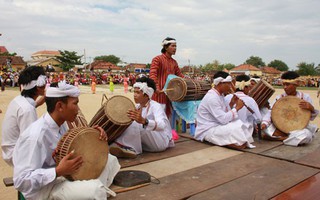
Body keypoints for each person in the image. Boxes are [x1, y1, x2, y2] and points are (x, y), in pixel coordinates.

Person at [13, 81, 120, 200]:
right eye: (75, 104)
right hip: (44, 190)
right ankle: (97, 189)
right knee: (94, 190)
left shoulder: (61, 124)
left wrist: (92, 135)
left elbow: (71, 148)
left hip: (62, 176)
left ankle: (96, 189)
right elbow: (20, 181)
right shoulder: (34, 136)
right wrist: (57, 171)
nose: (78, 109)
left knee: (110, 160)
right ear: (60, 106)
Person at [109, 77, 174, 158]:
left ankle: (129, 148)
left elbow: (162, 125)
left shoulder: (156, 106)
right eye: (134, 92)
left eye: (138, 92)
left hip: (160, 142)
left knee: (136, 123)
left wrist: (144, 121)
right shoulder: (137, 106)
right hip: (147, 145)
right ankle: (121, 146)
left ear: (147, 95)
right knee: (129, 121)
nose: (134, 95)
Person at [194, 71, 255, 149]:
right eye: (228, 83)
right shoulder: (212, 98)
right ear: (220, 83)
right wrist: (237, 108)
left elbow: (224, 114)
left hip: (218, 125)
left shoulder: (220, 95)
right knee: (235, 128)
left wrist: (231, 104)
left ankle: (237, 143)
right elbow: (223, 119)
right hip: (208, 130)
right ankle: (234, 143)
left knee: (240, 124)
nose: (230, 86)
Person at [1, 66, 46, 166]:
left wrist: (37, 103)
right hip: (16, 154)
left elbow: (28, 107)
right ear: (39, 86)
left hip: (9, 150)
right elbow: (31, 141)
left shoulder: (19, 99)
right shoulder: (27, 110)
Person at [261, 71, 319, 146]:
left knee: (306, 136)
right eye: (284, 84)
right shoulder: (279, 98)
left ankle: (281, 138)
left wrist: (311, 108)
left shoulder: (305, 97)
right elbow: (270, 112)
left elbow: (311, 118)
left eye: (288, 84)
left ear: (296, 84)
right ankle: (289, 138)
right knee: (265, 129)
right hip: (279, 128)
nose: (285, 87)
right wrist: (264, 124)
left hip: (299, 129)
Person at [149, 37, 184, 117]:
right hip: (159, 95)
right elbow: (152, 74)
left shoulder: (174, 62)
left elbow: (180, 76)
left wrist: (190, 81)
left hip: (171, 96)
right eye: (173, 46)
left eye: (176, 46)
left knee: (169, 120)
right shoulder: (157, 59)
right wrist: (156, 88)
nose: (175, 48)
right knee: (158, 120)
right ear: (165, 47)